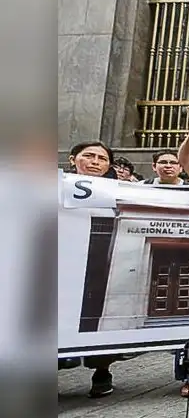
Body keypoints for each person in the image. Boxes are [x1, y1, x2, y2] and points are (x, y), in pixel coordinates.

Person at [62, 141, 123, 397]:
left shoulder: (122, 191)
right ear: (73, 159)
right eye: (89, 156)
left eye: (102, 158)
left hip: (100, 261)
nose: (95, 162)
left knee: (99, 313)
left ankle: (101, 370)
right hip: (61, 262)